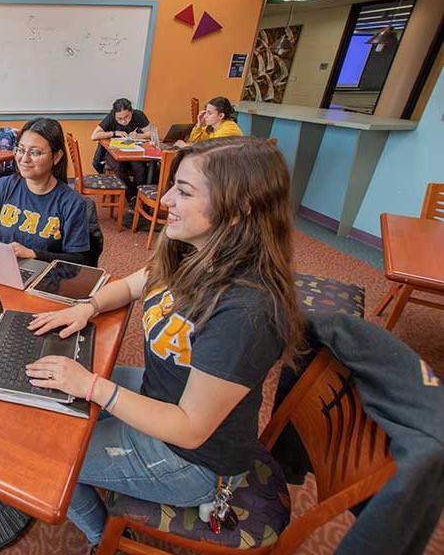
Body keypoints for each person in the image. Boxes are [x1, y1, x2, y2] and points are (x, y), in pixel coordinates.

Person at [25, 136, 305, 549]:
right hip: (161, 395)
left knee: (46, 455)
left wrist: (92, 387)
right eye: (174, 185)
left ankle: (102, 540)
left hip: (192, 460)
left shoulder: (247, 311)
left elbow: (190, 429)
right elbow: (137, 283)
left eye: (185, 191)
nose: (166, 198)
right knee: (40, 396)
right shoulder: (194, 248)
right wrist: (88, 306)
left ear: (239, 209)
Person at [0, 117, 93, 265]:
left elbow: (80, 261)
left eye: (35, 152)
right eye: (21, 150)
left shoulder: (72, 203)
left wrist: (33, 254)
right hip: (8, 270)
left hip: (49, 277)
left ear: (56, 156)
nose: (24, 159)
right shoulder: (4, 186)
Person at [90, 98, 154, 202]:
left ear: (132, 112)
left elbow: (151, 133)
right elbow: (94, 136)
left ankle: (140, 198)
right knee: (119, 168)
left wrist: (139, 135)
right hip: (113, 153)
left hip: (133, 151)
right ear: (114, 115)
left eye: (127, 117)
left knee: (140, 169)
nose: (124, 121)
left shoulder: (139, 115)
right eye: (119, 119)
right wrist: (114, 133)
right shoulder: (110, 118)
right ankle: (132, 196)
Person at [175, 96, 243, 147]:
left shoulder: (228, 129)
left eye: (209, 113)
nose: (205, 116)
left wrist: (185, 146)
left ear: (221, 116)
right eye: (206, 112)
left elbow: (208, 150)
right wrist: (199, 125)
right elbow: (193, 141)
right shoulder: (212, 127)